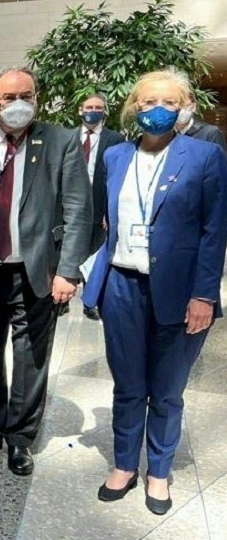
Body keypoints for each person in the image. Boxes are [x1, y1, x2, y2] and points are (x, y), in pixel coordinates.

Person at [85, 69, 227, 516]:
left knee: (166, 390)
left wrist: (205, 295)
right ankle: (125, 464)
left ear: (184, 107)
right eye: (148, 102)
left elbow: (214, 231)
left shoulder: (205, 155)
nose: (158, 110)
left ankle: (159, 471)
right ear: (134, 108)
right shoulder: (116, 156)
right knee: (128, 386)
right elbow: (105, 219)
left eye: (168, 102)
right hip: (122, 286)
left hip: (181, 292)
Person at [0, 67, 91, 476]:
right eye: (9, 97)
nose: (18, 104)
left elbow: (78, 209)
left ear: (36, 98)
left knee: (30, 358)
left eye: (26, 96)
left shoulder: (61, 142)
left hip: (34, 272)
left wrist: (67, 271)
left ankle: (20, 439)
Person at [77, 92, 122, 320]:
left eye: (98, 108)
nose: (93, 112)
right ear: (80, 110)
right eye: (89, 107)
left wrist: (109, 211)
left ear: (104, 112)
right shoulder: (68, 137)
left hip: (99, 207)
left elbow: (117, 178)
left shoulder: (116, 139)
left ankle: (90, 300)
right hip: (72, 206)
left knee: (94, 255)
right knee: (68, 251)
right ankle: (61, 299)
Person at [175, 90, 226, 155]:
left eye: (183, 105)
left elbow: (219, 160)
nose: (180, 111)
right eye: (176, 106)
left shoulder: (210, 133)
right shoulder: (166, 133)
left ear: (193, 107)